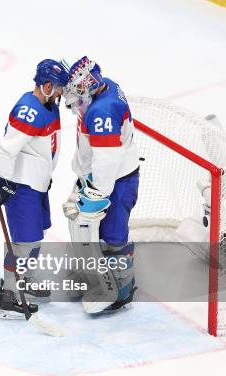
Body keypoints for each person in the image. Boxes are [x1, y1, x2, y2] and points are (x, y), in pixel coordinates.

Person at [0, 59, 69, 319]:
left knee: (35, 237)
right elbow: (5, 150)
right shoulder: (28, 110)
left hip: (38, 184)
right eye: (57, 88)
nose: (60, 94)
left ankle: (26, 282)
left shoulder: (49, 106)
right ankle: (9, 295)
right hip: (22, 186)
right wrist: (5, 184)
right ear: (45, 86)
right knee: (24, 243)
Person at [62, 56, 140, 313]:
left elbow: (107, 160)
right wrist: (83, 181)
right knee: (85, 230)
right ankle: (95, 277)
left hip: (115, 181)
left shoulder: (101, 112)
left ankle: (122, 289)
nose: (74, 102)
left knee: (113, 236)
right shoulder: (105, 86)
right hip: (100, 176)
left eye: (78, 94)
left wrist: (97, 194)